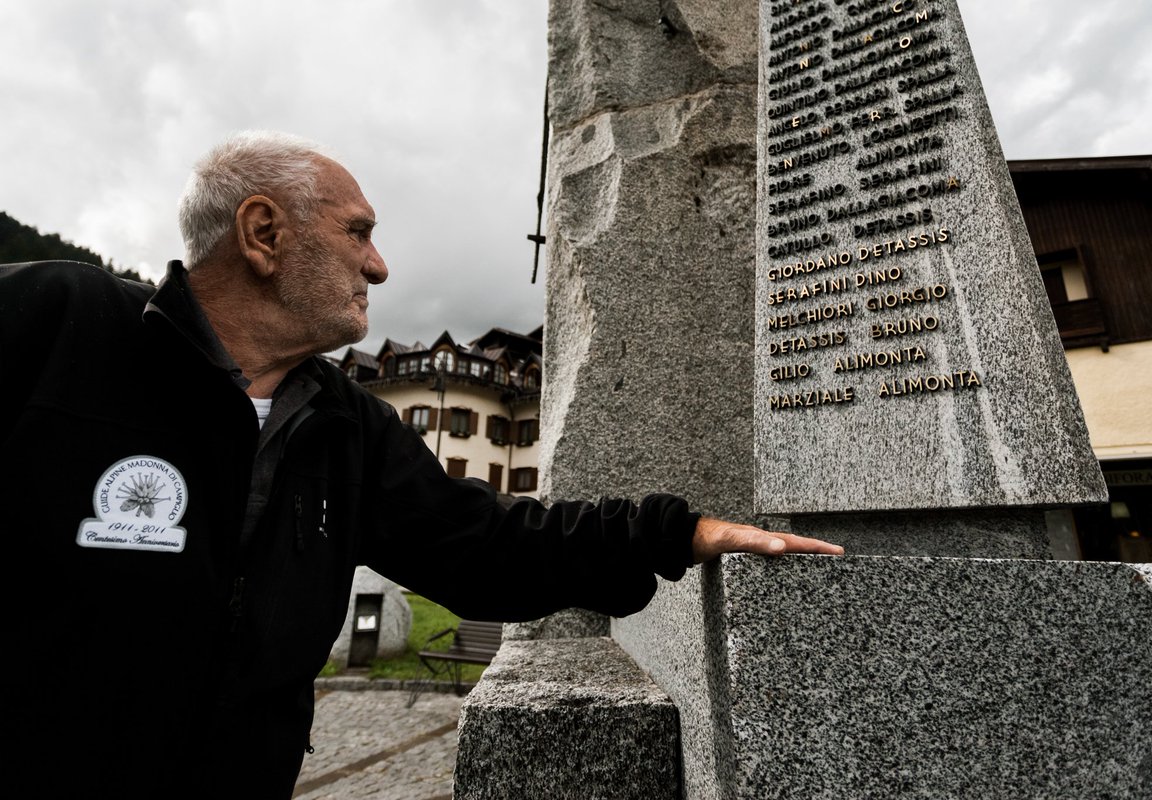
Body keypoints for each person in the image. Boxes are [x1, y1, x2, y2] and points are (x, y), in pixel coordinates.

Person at [0, 130, 842, 799]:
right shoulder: (54, 327)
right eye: (357, 232)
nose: (379, 264)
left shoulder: (345, 426)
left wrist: (675, 531)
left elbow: (488, 544)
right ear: (263, 233)